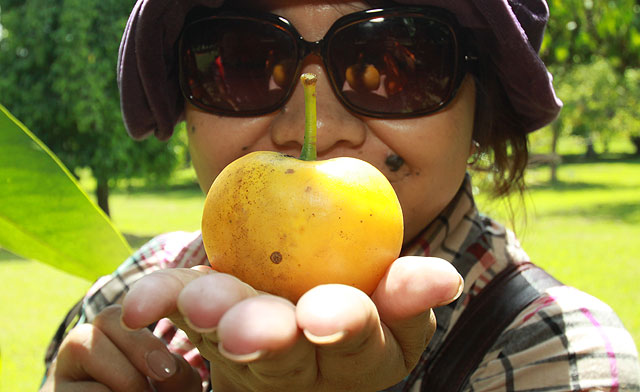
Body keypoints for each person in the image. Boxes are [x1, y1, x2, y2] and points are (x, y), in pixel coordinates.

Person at [40, 0, 640, 391]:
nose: (319, 131)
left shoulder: (557, 352)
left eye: (396, 64)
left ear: (482, 111)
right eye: (243, 63)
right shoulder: (126, 303)